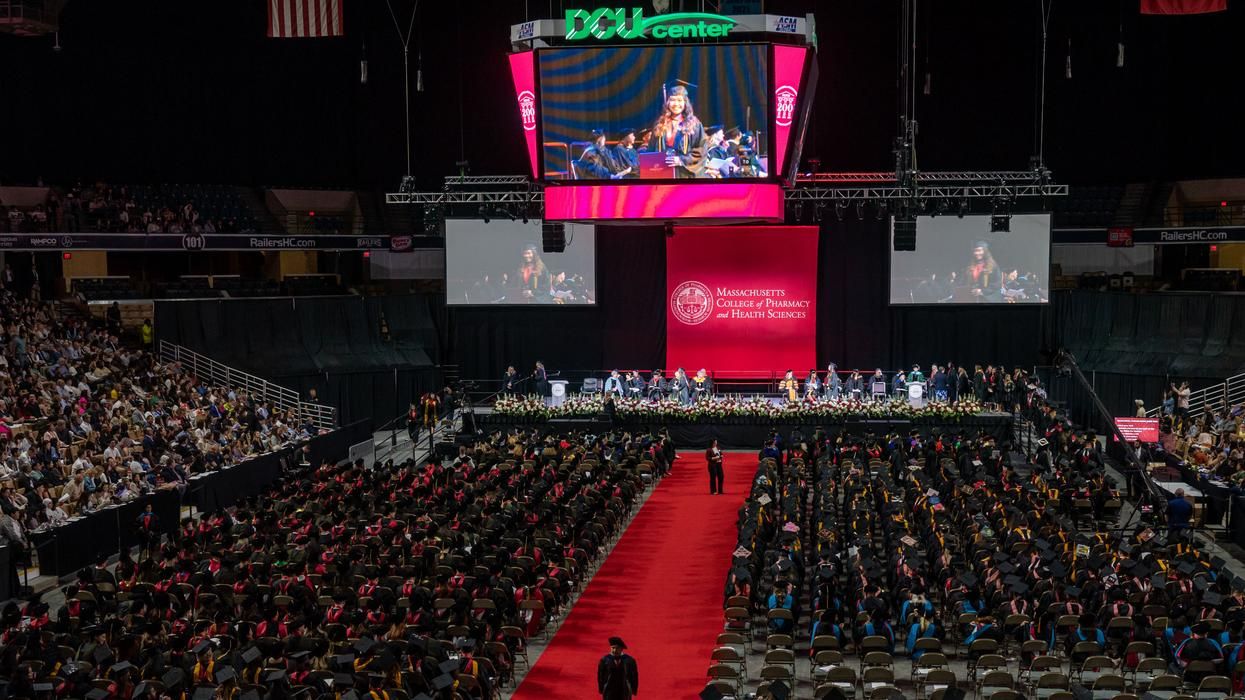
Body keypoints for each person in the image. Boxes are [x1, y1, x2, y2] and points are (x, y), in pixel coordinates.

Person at [646, 85, 706, 178]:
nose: (676, 104)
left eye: (679, 100)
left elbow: (701, 151)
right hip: (663, 172)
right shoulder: (660, 124)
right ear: (668, 103)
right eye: (673, 100)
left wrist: (682, 160)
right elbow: (651, 149)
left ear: (685, 103)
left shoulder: (694, 125)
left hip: (684, 174)